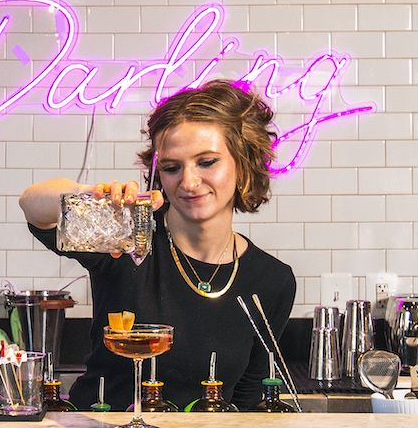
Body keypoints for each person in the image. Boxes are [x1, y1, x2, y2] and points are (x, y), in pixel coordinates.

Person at [20, 80, 297, 410]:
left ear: (244, 163)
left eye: (207, 162)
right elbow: (34, 207)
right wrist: (92, 195)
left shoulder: (271, 281)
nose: (189, 182)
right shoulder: (127, 239)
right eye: (171, 167)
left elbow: (249, 399)